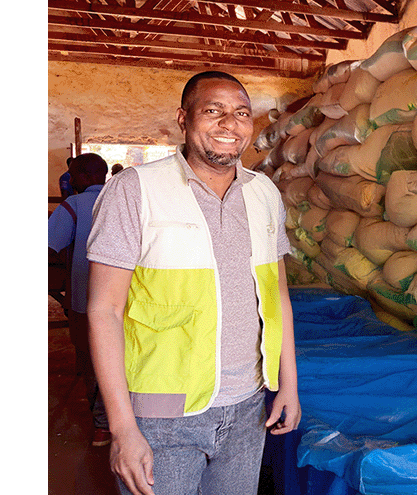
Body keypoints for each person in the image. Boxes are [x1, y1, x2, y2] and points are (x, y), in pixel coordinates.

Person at [86, 71, 301, 495]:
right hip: (160, 416)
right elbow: (104, 310)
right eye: (212, 110)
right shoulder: (135, 190)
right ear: (183, 119)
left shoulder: (264, 194)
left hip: (248, 407)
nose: (229, 123)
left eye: (241, 113)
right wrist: (122, 426)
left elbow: (277, 296)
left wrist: (288, 385)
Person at [48, 152, 111, 446]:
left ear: (85, 177)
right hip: (128, 302)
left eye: (73, 176)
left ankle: (102, 425)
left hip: (85, 302)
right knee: (122, 358)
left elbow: (48, 247)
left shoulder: (73, 205)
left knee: (90, 360)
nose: (70, 182)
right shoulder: (124, 200)